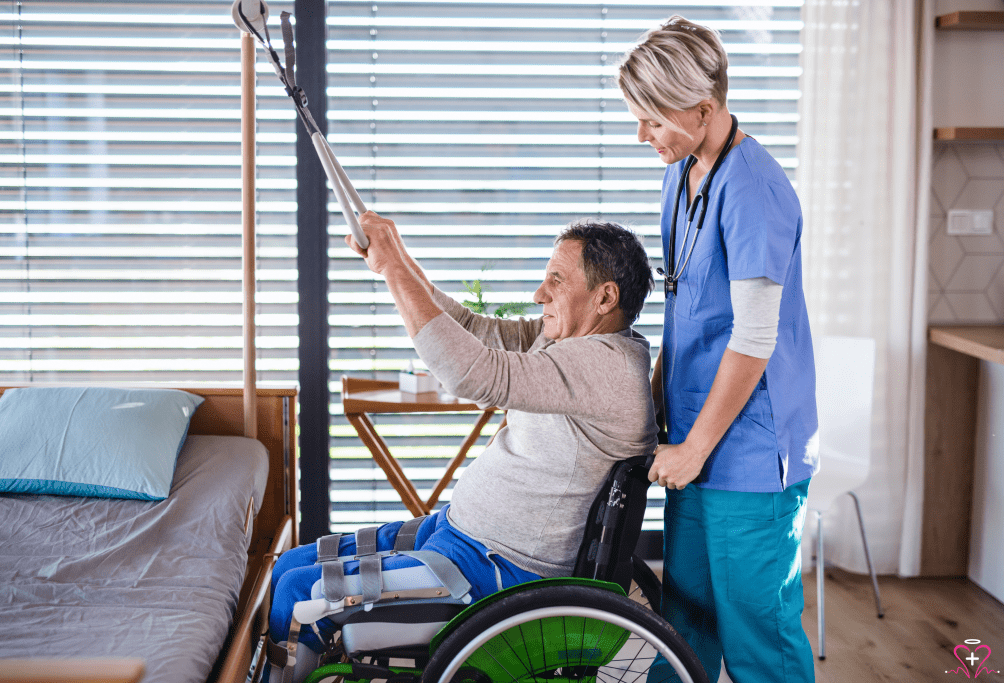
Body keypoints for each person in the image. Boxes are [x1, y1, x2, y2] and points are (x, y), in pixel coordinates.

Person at [266, 213, 658, 675]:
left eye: (556, 279)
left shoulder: (603, 367)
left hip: (494, 571)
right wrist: (397, 259)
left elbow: (474, 374)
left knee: (298, 595)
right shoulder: (570, 342)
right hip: (458, 534)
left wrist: (394, 267)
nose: (539, 294)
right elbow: (474, 331)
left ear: (605, 297)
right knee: (289, 564)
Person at [616, 16, 819, 683]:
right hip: (694, 440)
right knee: (684, 629)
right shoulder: (683, 172)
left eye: (653, 120)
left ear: (704, 109)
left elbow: (753, 337)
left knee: (760, 637)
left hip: (747, 454)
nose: (642, 134)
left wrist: (696, 447)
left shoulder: (755, 189)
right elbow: (688, 309)